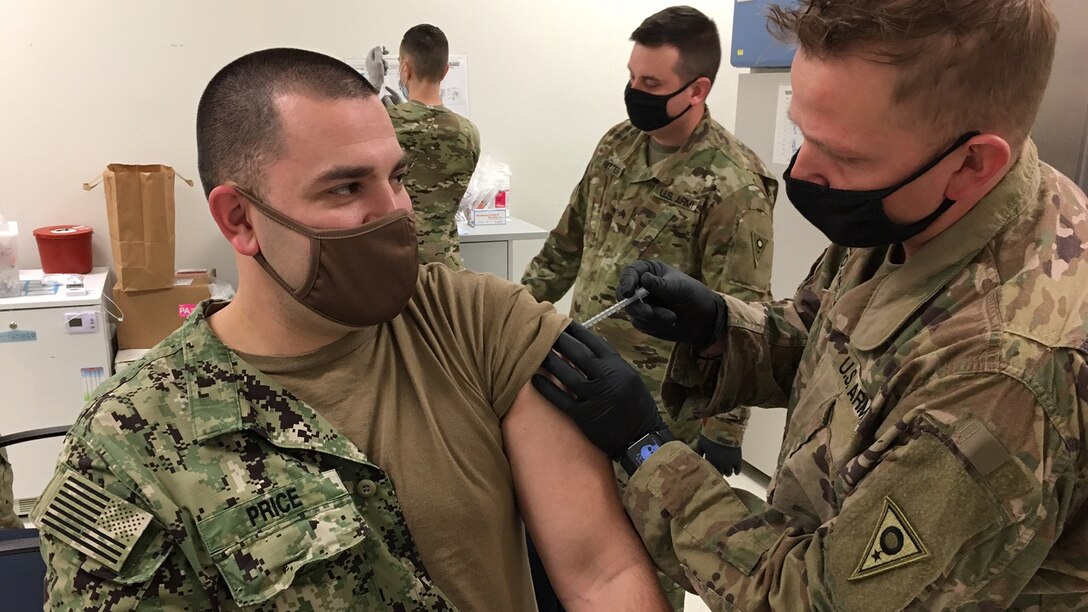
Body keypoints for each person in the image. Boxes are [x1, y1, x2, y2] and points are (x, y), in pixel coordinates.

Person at [32, 48, 668, 611]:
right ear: (240, 220)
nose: (392, 212)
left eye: (395, 176)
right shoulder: (130, 445)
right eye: (345, 188)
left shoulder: (477, 322)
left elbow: (602, 575)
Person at [536, 0, 1088, 608]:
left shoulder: (1004, 377)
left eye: (844, 156)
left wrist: (644, 446)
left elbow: (809, 599)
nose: (803, 170)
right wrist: (720, 326)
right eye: (802, 133)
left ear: (974, 163)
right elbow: (831, 335)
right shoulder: (924, 204)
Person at [521, 3, 775, 491]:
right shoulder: (618, 144)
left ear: (697, 90)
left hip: (659, 405)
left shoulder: (733, 184)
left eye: (651, 84)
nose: (635, 93)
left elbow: (744, 312)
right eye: (632, 78)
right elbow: (565, 245)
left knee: (644, 538)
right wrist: (512, 316)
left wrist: (724, 429)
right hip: (584, 371)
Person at [369, 24, 480, 270]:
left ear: (405, 68)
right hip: (447, 268)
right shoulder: (469, 132)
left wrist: (370, 91)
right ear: (445, 71)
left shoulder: (387, 123)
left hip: (396, 263)